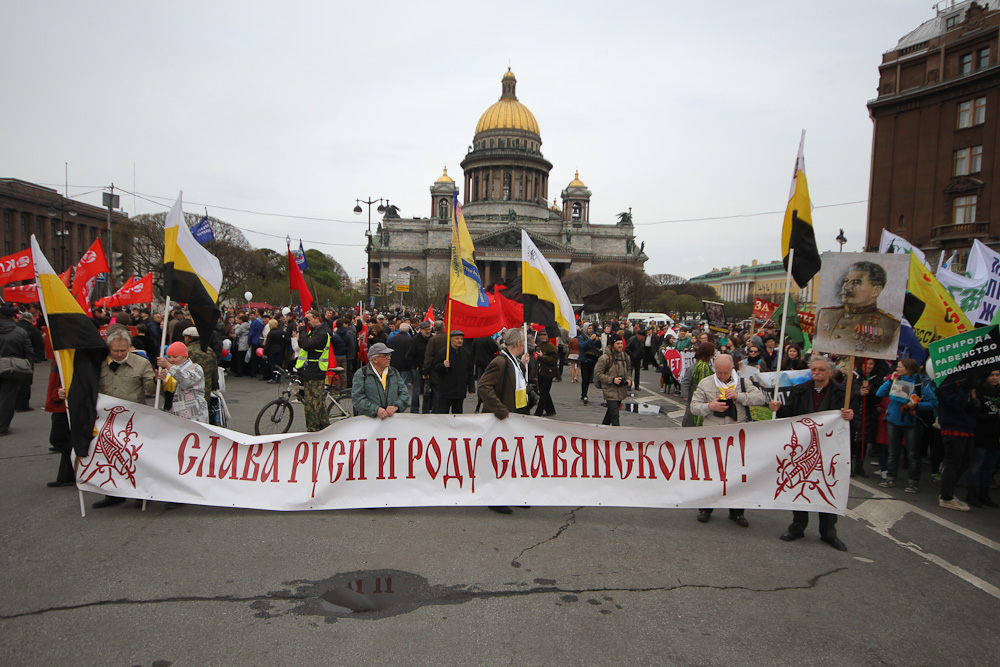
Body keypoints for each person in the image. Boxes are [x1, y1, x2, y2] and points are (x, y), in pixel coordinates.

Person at [775, 355, 854, 550]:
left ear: (830, 372)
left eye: (821, 370)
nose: (817, 373)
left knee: (828, 487)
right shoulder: (800, 390)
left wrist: (850, 415)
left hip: (830, 449)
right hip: (803, 448)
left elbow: (855, 420)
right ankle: (797, 526)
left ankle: (828, 533)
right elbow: (789, 415)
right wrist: (778, 409)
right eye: (814, 369)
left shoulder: (843, 393)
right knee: (800, 486)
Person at [690, 353, 778, 527]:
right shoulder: (705, 383)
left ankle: (737, 511)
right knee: (711, 473)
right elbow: (694, 407)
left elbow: (760, 399)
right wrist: (710, 406)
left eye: (726, 372)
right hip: (713, 434)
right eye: (719, 372)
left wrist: (739, 396)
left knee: (737, 474)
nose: (723, 376)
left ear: (733, 368)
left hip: (737, 435)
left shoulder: (743, 383)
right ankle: (705, 508)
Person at [92, 324, 157, 509]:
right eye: (115, 351)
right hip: (107, 420)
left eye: (123, 350)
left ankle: (141, 494)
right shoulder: (98, 364)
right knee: (109, 458)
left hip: (134, 421)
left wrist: (157, 379)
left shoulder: (141, 363)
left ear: (130, 347)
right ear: (109, 348)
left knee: (136, 458)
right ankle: (113, 494)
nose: (120, 354)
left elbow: (151, 388)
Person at [477, 328, 531, 515]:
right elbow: (484, 386)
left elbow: (514, 381)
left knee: (513, 458)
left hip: (516, 415)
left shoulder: (512, 360)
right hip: (502, 418)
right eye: (523, 341)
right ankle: (495, 498)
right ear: (518, 343)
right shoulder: (500, 361)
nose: (524, 344)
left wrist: (522, 365)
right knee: (500, 459)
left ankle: (512, 494)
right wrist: (500, 410)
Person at [875, 358, 936, 493]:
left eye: (900, 367)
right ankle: (890, 477)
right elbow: (879, 393)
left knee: (912, 454)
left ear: (908, 369)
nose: (897, 369)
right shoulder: (895, 380)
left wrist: (916, 405)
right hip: (893, 421)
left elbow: (932, 403)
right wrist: (890, 381)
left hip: (911, 424)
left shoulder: (920, 384)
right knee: (893, 452)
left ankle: (913, 481)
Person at [815, 260, 901, 356]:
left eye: (855, 283)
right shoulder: (824, 315)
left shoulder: (891, 326)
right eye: (846, 281)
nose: (845, 287)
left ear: (875, 291)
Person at [935, 378, 979, 511]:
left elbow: (974, 405)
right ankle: (946, 497)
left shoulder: (966, 383)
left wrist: (971, 397)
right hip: (953, 427)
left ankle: (948, 491)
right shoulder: (945, 384)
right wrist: (964, 389)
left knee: (965, 462)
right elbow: (956, 404)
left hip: (967, 427)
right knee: (953, 462)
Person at [966, 369, 1000, 508]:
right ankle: (971, 494)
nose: (995, 378)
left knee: (989, 466)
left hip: (996, 434)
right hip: (980, 433)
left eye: (997, 375)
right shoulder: (976, 391)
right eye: (991, 375)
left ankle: (984, 494)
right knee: (976, 465)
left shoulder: (998, 391)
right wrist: (994, 416)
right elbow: (973, 413)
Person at [295, 309, 333, 432]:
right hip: (310, 370)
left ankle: (313, 428)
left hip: (316, 371)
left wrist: (302, 329)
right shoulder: (315, 331)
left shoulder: (322, 333)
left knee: (312, 404)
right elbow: (303, 344)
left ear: (317, 318)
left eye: (309, 319)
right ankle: (324, 426)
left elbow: (306, 344)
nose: (307, 322)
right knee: (318, 402)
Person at [352, 342, 409, 419]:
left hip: (392, 420)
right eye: (385, 356)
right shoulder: (362, 374)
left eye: (389, 355)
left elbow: (404, 393)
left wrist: (396, 406)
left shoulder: (394, 372)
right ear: (375, 359)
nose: (389, 358)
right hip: (370, 421)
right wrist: (375, 410)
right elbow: (357, 399)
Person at [0, 308, 34, 433]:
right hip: (11, 368)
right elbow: (28, 352)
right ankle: (2, 426)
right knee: (7, 398)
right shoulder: (20, 332)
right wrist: (28, 368)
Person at [157, 341, 209, 423]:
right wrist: (159, 381)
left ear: (185, 357)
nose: (171, 360)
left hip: (194, 414)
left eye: (175, 357)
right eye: (169, 357)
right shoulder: (167, 371)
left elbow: (185, 381)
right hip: (173, 415)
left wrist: (169, 366)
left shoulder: (195, 368)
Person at [433, 331, 475, 414]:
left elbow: (470, 371)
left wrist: (471, 387)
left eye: (461, 339)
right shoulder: (443, 352)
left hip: (459, 390)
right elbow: (435, 368)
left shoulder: (466, 353)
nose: (460, 341)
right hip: (446, 390)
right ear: (451, 339)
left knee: (457, 414)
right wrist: (443, 365)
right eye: (457, 338)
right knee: (443, 413)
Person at [594, 334, 632, 426]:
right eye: (617, 343)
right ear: (612, 345)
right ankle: (617, 433)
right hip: (609, 390)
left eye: (621, 343)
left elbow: (629, 370)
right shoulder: (605, 358)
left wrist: (628, 379)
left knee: (610, 414)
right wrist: (612, 379)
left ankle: (602, 429)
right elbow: (598, 374)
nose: (620, 345)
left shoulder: (625, 356)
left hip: (621, 390)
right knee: (615, 415)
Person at [681, 343, 716, 426]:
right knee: (691, 414)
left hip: (705, 396)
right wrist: (685, 395)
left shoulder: (708, 366)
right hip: (694, 394)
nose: (715, 353)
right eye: (713, 351)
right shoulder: (694, 368)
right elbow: (686, 382)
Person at [406, 320, 433, 413]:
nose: (428, 331)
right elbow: (409, 355)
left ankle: (426, 409)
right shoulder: (415, 340)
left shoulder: (431, 339)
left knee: (427, 391)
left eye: (429, 329)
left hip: (428, 368)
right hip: (417, 369)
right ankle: (414, 409)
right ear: (421, 330)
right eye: (426, 330)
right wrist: (414, 366)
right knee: (416, 390)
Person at [422, 321, 447, 412]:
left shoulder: (433, 340)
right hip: (447, 369)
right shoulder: (449, 338)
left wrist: (425, 371)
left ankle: (436, 411)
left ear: (434, 328)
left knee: (436, 392)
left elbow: (429, 357)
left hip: (435, 370)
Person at [534, 331, 558, 417]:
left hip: (548, 372)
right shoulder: (539, 345)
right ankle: (550, 410)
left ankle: (538, 412)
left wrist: (543, 356)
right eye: (542, 335)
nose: (543, 336)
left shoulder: (551, 347)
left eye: (545, 335)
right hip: (540, 371)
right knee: (544, 391)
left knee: (543, 393)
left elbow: (554, 360)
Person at [579, 323, 600, 404]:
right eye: (589, 328)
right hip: (584, 360)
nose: (590, 330)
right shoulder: (581, 337)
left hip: (592, 359)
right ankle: (584, 394)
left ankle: (585, 392)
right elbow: (582, 346)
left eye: (591, 328)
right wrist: (590, 339)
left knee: (589, 378)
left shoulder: (593, 336)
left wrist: (597, 340)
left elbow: (597, 346)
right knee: (585, 378)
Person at [625, 328, 646, 392]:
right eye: (643, 336)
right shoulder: (632, 339)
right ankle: (628, 385)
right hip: (631, 358)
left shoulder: (642, 340)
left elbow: (642, 348)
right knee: (630, 372)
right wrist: (632, 355)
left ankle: (637, 386)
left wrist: (642, 355)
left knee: (637, 373)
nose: (643, 338)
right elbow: (627, 349)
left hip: (638, 358)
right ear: (639, 335)